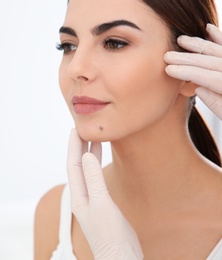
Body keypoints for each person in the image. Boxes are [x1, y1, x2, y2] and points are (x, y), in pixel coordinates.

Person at [34, 0, 222, 259]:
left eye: (114, 43)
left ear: (191, 71)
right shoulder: (57, 215)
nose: (76, 68)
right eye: (69, 46)